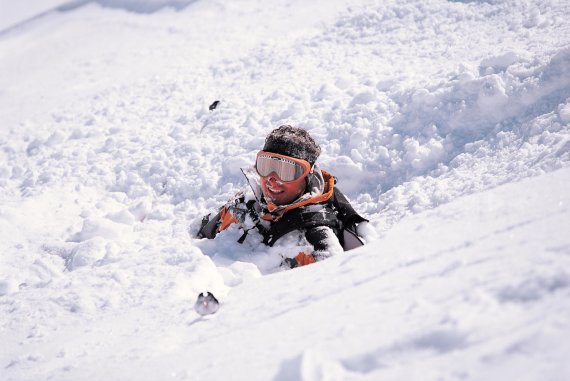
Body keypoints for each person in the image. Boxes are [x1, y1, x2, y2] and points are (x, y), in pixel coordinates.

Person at [197, 125, 369, 269]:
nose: (272, 179)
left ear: (307, 175)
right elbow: (200, 236)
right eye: (266, 166)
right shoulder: (245, 204)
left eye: (286, 170)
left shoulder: (316, 239)